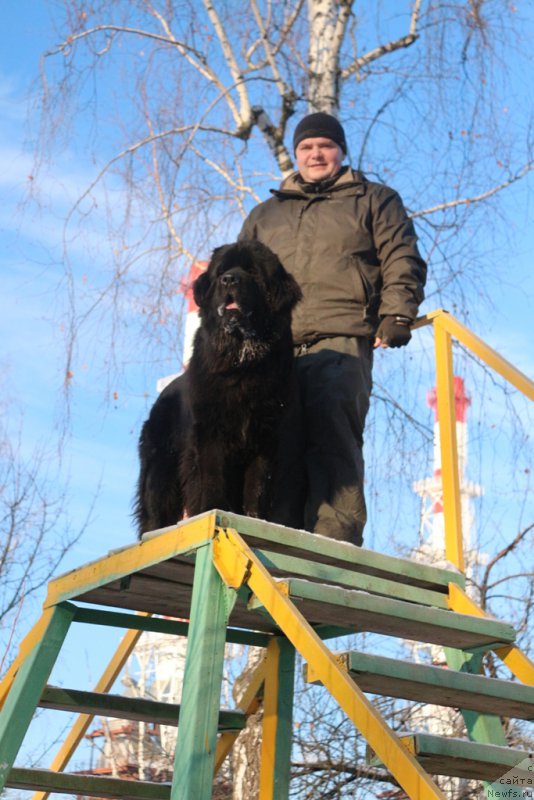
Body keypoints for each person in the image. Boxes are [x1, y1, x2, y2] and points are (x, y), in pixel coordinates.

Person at [238, 112, 427, 545]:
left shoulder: (374, 200)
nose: (316, 154)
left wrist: (397, 312)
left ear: (341, 151)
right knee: (273, 446)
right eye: (306, 147)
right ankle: (274, 542)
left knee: (332, 439)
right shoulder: (266, 215)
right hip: (275, 348)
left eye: (325, 146)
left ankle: (332, 549)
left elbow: (402, 257)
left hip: (341, 337)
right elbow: (239, 278)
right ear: (296, 154)